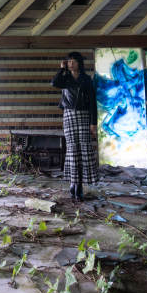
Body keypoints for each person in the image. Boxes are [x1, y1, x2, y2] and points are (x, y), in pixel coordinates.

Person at [52, 51, 98, 202]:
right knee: (72, 150)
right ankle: (73, 183)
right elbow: (54, 83)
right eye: (69, 61)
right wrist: (61, 69)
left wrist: (93, 123)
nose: (71, 63)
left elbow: (92, 102)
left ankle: (80, 186)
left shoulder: (86, 79)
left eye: (73, 61)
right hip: (69, 115)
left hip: (84, 116)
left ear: (79, 63)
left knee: (84, 149)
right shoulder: (65, 78)